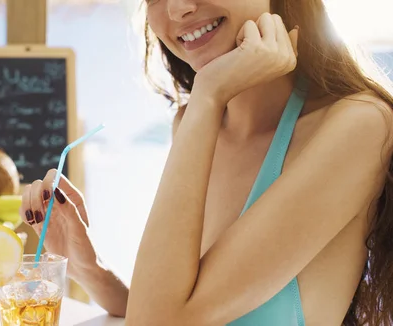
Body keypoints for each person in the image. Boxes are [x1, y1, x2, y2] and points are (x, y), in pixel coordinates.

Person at [19, 0, 393, 325]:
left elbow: (159, 322)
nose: (177, 8)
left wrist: (208, 94)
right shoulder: (192, 123)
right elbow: (180, 309)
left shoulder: (361, 124)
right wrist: (91, 268)